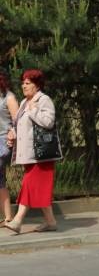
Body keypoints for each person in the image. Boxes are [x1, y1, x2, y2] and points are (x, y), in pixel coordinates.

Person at [4, 69, 61, 234]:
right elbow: (21, 125)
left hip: (41, 155)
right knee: (38, 189)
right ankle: (50, 222)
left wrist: (34, 110)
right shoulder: (23, 102)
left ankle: (17, 220)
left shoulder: (44, 100)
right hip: (29, 154)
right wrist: (13, 133)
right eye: (23, 82)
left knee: (29, 185)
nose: (23, 86)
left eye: (27, 83)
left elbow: (49, 122)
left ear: (37, 85)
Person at [0, 68, 19, 225]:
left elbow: (18, 121)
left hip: (4, 142)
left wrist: (12, 133)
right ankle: (8, 217)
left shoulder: (9, 97)